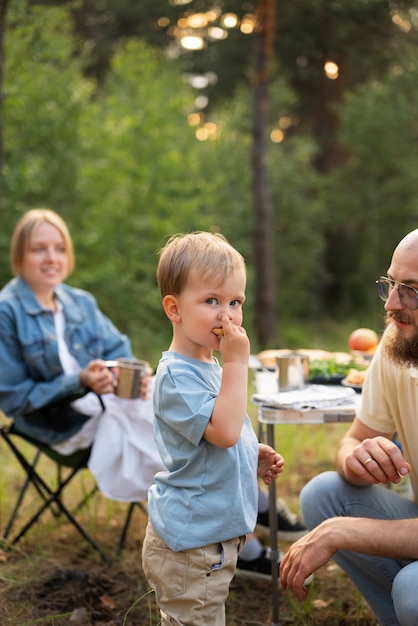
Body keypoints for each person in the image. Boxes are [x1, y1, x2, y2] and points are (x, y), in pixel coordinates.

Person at [142, 231, 284, 625]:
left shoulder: (206, 365)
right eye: (211, 301)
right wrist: (238, 364)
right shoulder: (176, 377)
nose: (228, 315)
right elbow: (222, 431)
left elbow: (218, 437)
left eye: (235, 302)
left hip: (209, 540)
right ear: (174, 308)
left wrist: (248, 454)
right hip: (191, 546)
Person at [280, 227, 418, 626]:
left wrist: (341, 533)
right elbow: (355, 438)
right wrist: (354, 459)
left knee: (412, 589)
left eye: (411, 290)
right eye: (391, 284)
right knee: (324, 494)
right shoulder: (399, 343)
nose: (392, 304)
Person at [0, 208, 164, 502]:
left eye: (60, 249)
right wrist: (80, 381)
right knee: (167, 425)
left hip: (105, 403)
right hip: (59, 423)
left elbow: (119, 352)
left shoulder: (81, 303)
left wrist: (122, 376)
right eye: (39, 249)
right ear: (20, 255)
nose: (52, 258)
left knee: (170, 402)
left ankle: (231, 504)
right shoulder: (6, 312)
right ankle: (219, 509)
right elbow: (13, 397)